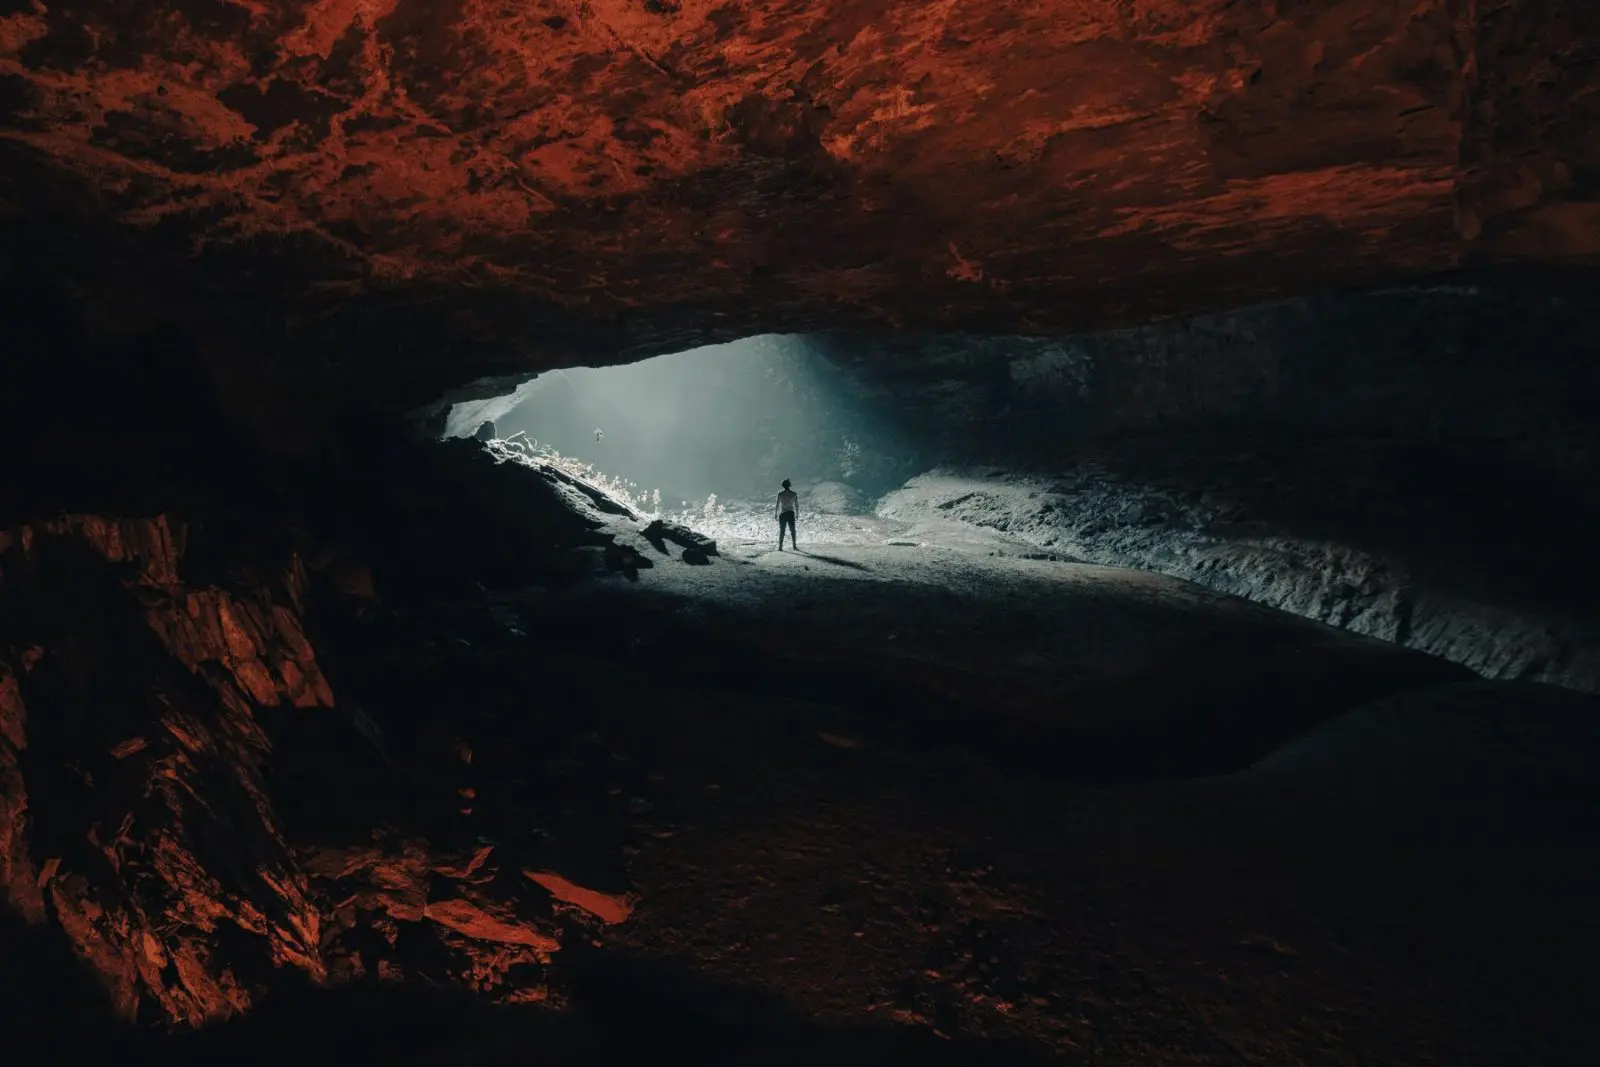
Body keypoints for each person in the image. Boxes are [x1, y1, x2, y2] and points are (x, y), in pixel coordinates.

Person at [776, 478, 799, 550]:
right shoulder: (794, 494)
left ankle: (780, 546)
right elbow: (796, 505)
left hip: (782, 513)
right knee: (792, 530)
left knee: (782, 530)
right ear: (789, 485)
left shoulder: (780, 494)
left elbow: (777, 504)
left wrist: (775, 514)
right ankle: (794, 545)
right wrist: (797, 514)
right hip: (790, 513)